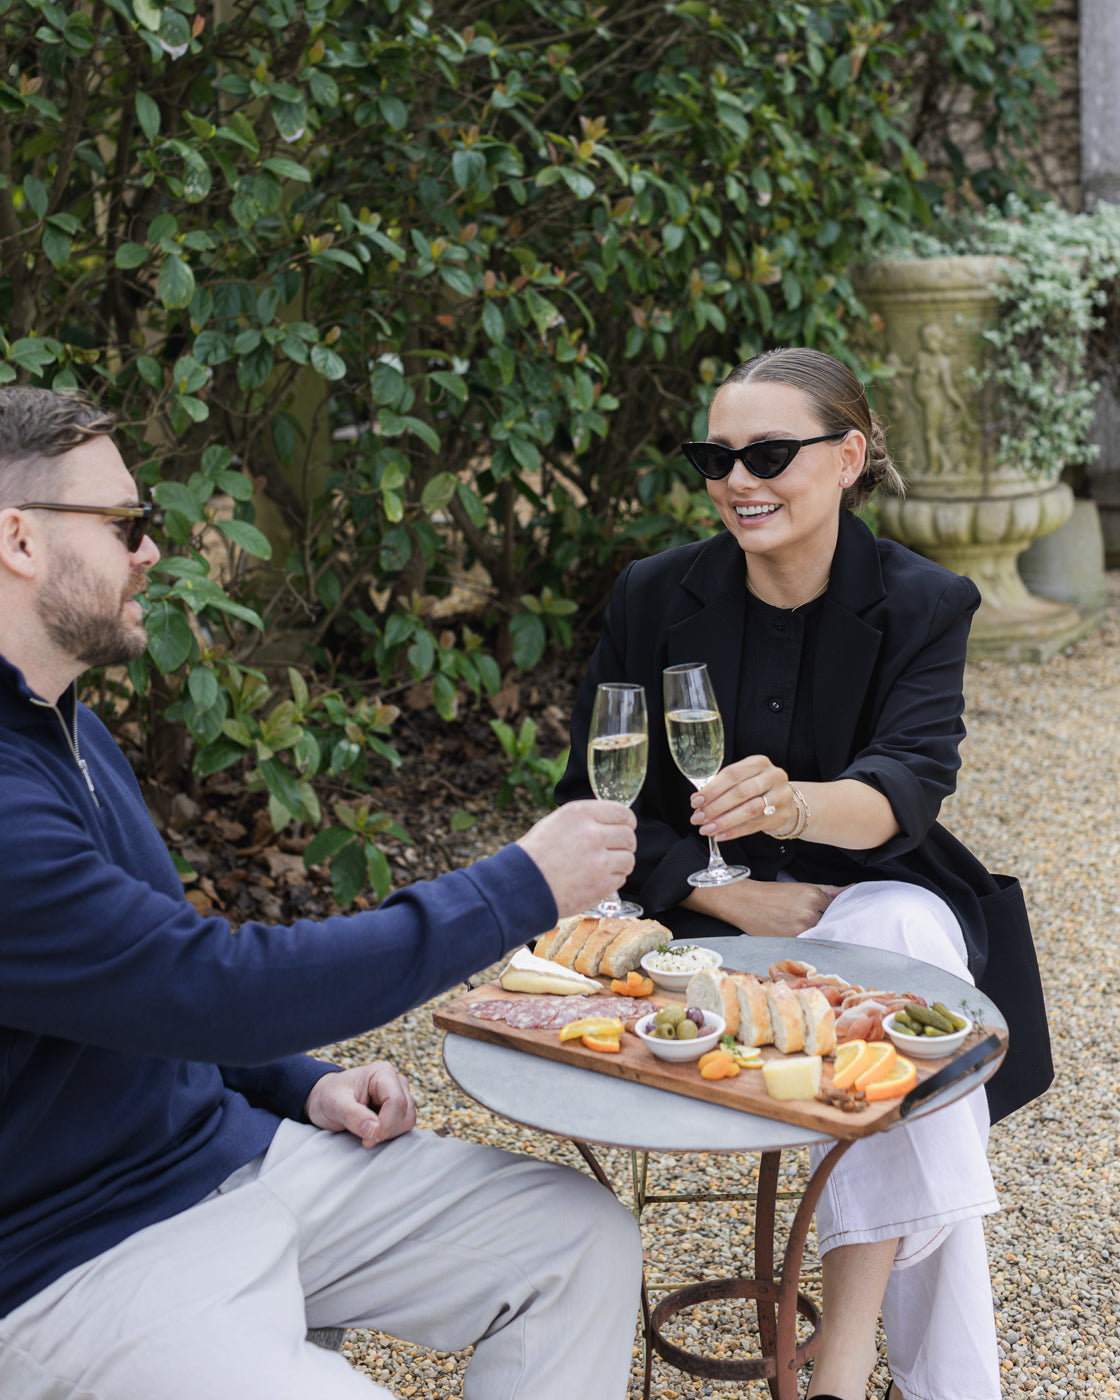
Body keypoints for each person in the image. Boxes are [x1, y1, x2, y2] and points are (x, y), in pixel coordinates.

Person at [0, 386, 644, 1400]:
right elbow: (211, 981)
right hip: (75, 1260)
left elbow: (148, 983)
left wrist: (293, 1082)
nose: (151, 553)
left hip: (227, 1156)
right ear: (19, 539)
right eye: (126, 524)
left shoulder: (62, 721)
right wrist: (520, 885)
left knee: (577, 1236)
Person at [557, 348, 1053, 1400]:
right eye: (716, 456)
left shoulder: (922, 602)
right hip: (693, 924)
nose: (739, 479)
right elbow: (592, 804)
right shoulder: (653, 598)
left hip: (864, 891)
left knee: (901, 935)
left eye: (770, 453)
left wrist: (786, 805)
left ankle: (836, 1368)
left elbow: (906, 785)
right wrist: (714, 884)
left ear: (848, 456)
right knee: (924, 1065)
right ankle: (889, 1378)